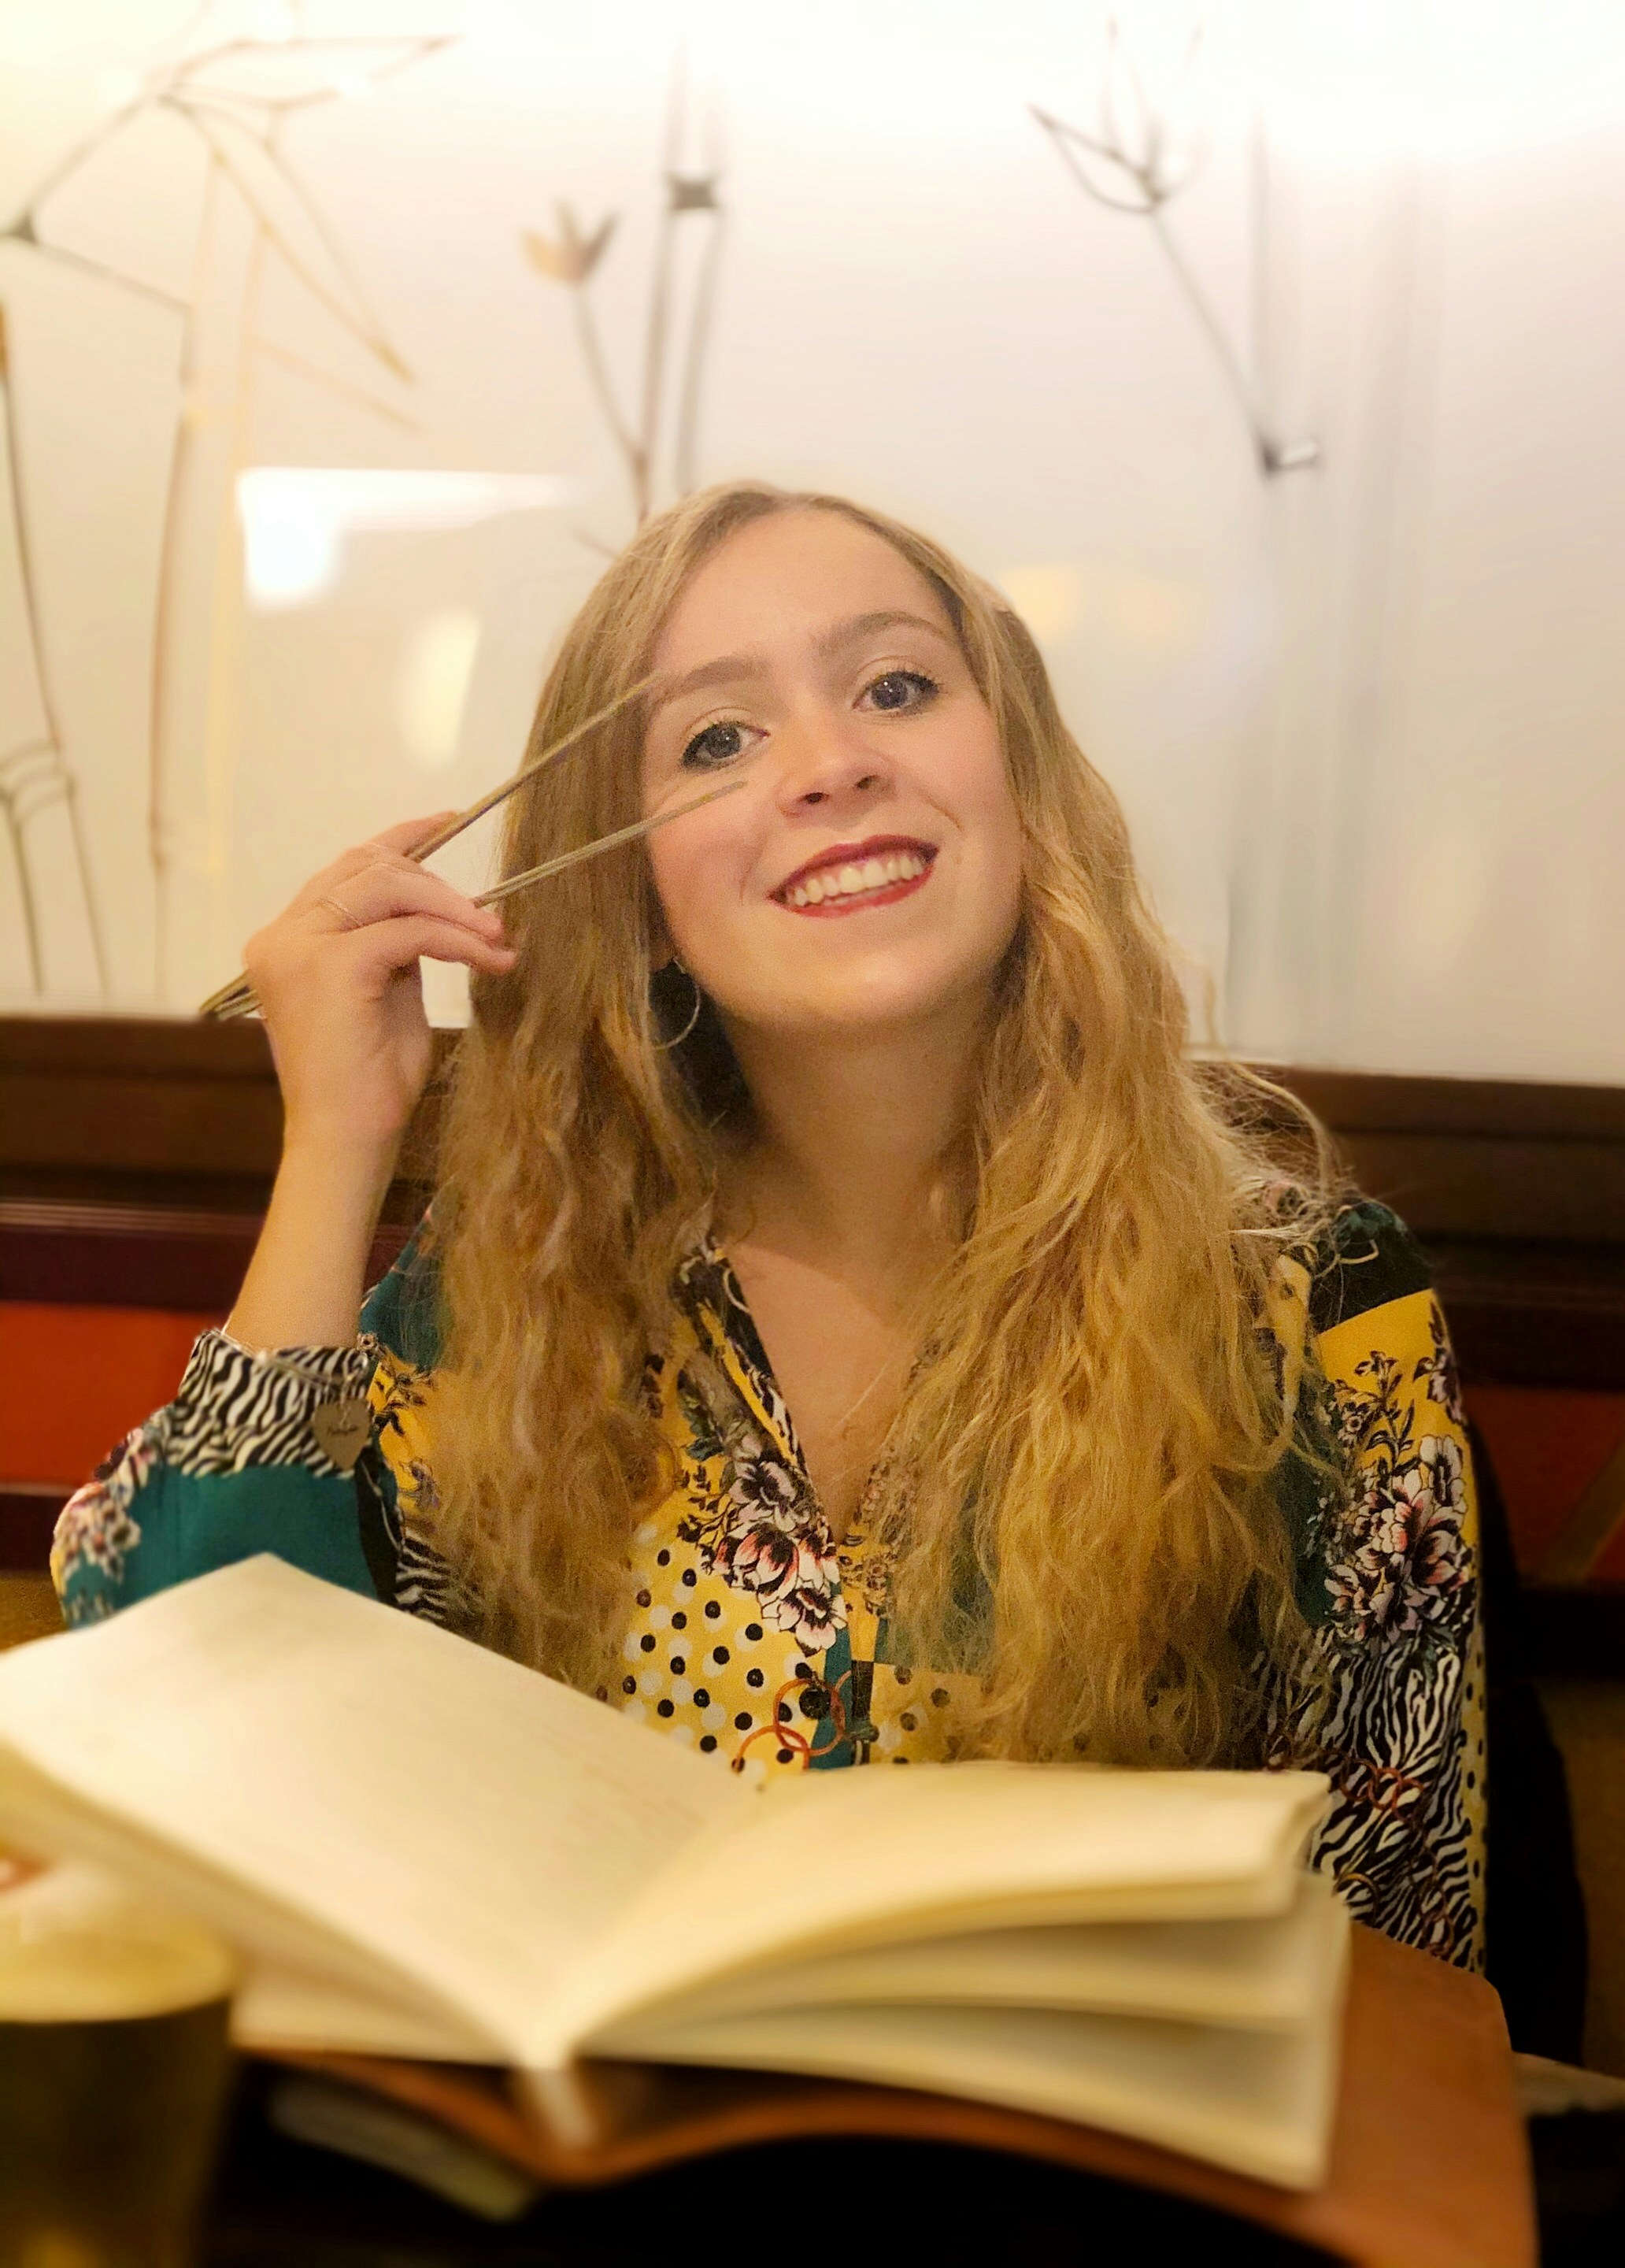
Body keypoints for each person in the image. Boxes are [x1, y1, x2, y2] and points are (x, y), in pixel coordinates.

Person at [54, 484, 1485, 1967]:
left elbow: (1397, 1940)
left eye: (897, 687)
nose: (831, 765)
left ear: (1020, 779)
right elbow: (180, 1713)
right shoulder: (531, 1280)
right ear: (635, 895)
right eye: (717, 739)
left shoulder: (1309, 1305)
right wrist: (337, 1141)